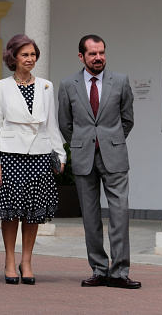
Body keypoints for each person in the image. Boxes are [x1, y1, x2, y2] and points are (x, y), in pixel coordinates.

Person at [58, 34, 140, 289]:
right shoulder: (68, 84)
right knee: (90, 218)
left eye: (101, 52)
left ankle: (119, 272)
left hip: (114, 156)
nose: (98, 58)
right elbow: (65, 123)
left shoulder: (121, 81)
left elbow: (128, 119)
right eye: (93, 54)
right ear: (81, 56)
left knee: (119, 214)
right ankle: (99, 269)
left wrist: (111, 140)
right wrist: (82, 143)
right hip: (84, 157)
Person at [0, 34, 66, 285]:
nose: (30, 59)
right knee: (10, 212)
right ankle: (10, 260)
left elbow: (52, 122)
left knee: (34, 213)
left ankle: (27, 261)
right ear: (13, 58)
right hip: (10, 156)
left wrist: (60, 153)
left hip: (39, 156)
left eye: (33, 54)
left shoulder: (46, 86)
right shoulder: (1, 86)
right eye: (25, 55)